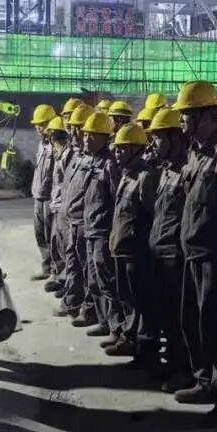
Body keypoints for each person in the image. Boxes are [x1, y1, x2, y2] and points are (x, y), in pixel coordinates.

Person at [176, 81, 217, 424]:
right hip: (193, 253)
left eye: (187, 116)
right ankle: (204, 381)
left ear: (205, 117)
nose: (182, 122)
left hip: (214, 257)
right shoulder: (195, 152)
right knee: (194, 323)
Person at [147, 107, 193, 394]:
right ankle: (174, 364)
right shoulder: (165, 171)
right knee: (166, 316)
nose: (154, 144)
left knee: (179, 319)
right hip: (160, 252)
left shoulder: (186, 171)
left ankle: (184, 370)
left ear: (175, 139)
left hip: (175, 256)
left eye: (160, 138)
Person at [109, 123, 159, 365]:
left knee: (142, 304)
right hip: (122, 247)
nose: (117, 153)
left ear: (136, 149)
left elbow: (151, 213)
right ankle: (131, 341)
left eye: (122, 149)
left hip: (136, 251)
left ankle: (145, 352)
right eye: (116, 148)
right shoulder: (126, 175)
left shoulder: (145, 177)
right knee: (127, 300)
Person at [81, 111, 125, 342]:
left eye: (92, 135)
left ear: (104, 137)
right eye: (85, 134)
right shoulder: (91, 162)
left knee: (107, 280)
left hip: (102, 231)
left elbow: (117, 198)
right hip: (90, 228)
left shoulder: (109, 164)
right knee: (94, 279)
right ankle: (103, 321)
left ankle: (117, 328)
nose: (86, 139)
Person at [58, 104, 98, 328]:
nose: (74, 132)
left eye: (79, 128)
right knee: (73, 263)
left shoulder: (95, 160)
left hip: (85, 222)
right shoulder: (76, 155)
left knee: (88, 268)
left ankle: (89, 309)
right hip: (71, 220)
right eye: (73, 127)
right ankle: (73, 302)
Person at [29, 103, 57, 282]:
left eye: (42, 124)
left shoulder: (56, 146)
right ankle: (46, 266)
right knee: (39, 234)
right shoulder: (41, 146)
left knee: (51, 236)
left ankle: (56, 271)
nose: (39, 128)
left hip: (49, 198)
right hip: (38, 196)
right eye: (37, 125)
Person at [45, 116, 70, 294]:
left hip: (63, 207)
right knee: (56, 244)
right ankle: (60, 278)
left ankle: (67, 282)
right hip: (56, 205)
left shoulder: (67, 155)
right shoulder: (58, 154)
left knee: (65, 247)